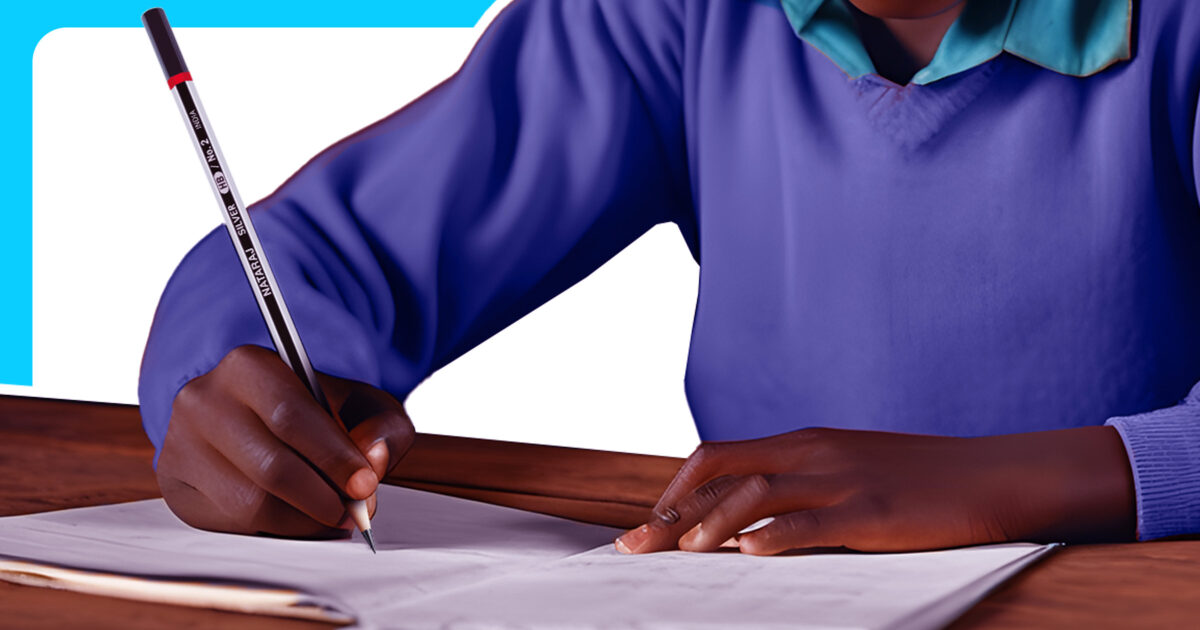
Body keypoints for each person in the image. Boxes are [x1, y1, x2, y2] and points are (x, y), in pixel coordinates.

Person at [139, 0, 1200, 553]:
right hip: (747, 595)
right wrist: (230, 388)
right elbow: (321, 255)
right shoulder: (674, 17)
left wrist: (994, 485)